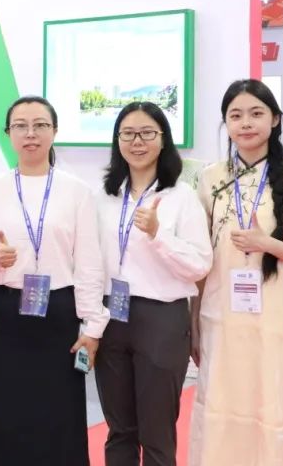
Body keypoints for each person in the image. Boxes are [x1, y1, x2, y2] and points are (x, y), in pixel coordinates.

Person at [189, 79, 283, 466]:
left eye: (256, 113)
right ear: (226, 124)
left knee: (273, 402)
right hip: (219, 313)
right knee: (219, 402)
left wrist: (268, 244)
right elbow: (200, 258)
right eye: (236, 115)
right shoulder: (211, 179)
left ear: (275, 120)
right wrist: (193, 321)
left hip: (273, 317)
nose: (246, 123)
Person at [0, 95, 105, 466]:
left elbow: (89, 264)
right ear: (9, 133)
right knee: (0, 407)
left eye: (40, 125)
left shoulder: (76, 191)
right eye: (21, 126)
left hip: (58, 312)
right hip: (4, 312)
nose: (31, 134)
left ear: (54, 131)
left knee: (57, 410)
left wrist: (93, 327)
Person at [94, 102, 212, 466]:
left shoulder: (181, 196)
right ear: (117, 140)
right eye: (128, 133)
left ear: (163, 140)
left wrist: (159, 235)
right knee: (119, 429)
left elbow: (199, 264)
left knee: (157, 432)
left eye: (147, 133)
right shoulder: (104, 196)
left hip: (161, 319)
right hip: (111, 316)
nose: (137, 142)